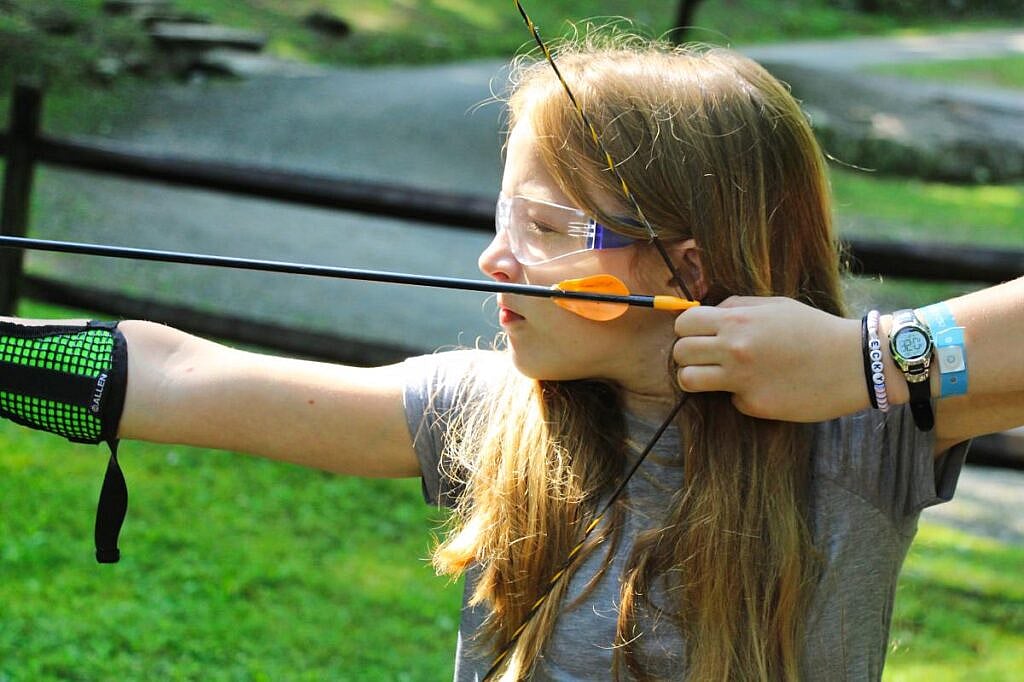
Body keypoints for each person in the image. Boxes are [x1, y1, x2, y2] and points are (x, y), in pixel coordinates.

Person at [2, 34, 1022, 681]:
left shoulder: (863, 431)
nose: (496, 259)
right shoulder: (492, 409)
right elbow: (179, 375)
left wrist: (870, 357)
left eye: (542, 225)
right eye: (503, 219)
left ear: (685, 265)